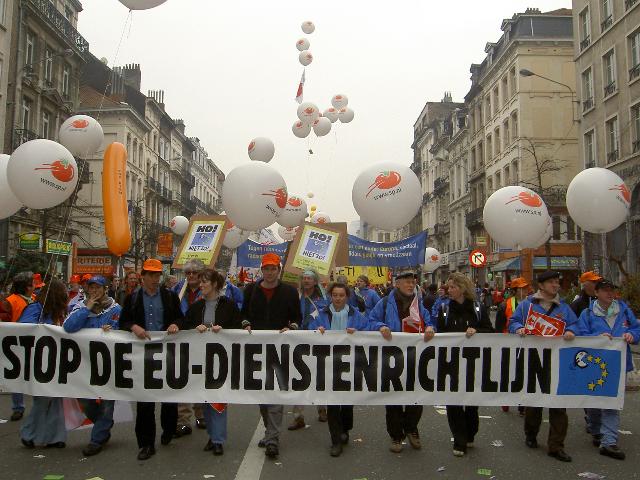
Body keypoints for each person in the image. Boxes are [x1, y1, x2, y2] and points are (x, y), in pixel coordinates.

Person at [509, 270, 579, 463]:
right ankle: (531, 434)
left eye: (557, 282)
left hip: (557, 360)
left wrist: (572, 331)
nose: (555, 285)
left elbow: (575, 324)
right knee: (534, 402)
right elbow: (513, 321)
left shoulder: (564, 308)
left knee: (558, 405)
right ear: (541, 285)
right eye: (551, 282)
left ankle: (556, 446)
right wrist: (518, 328)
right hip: (534, 359)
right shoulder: (527, 305)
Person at [119, 259, 184, 461]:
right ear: (143, 277)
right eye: (153, 275)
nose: (156, 279)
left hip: (166, 352)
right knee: (145, 401)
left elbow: (181, 318)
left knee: (168, 398)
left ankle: (169, 429)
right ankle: (146, 444)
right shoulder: (133, 298)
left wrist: (174, 324)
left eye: (158, 275)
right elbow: (123, 321)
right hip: (142, 355)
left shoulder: (170, 296)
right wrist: (134, 327)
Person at [241, 253, 301, 459]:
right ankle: (269, 431)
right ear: (262, 270)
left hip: (280, 350)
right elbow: (243, 315)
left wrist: (291, 327)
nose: (269, 272)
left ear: (279, 270)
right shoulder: (251, 290)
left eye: (273, 268)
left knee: (275, 394)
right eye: (266, 268)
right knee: (262, 396)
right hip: (256, 351)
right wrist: (245, 324)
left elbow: (297, 318)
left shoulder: (290, 292)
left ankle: (273, 439)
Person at [368, 270, 434, 453]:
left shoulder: (418, 304)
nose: (411, 285)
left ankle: (412, 428)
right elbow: (371, 320)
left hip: (415, 357)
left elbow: (429, 321)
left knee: (416, 396)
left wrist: (430, 327)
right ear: (397, 284)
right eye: (407, 282)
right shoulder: (384, 303)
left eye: (413, 282)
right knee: (394, 398)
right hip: (392, 358)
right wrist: (380, 326)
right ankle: (396, 435)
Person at [183, 269, 247, 456]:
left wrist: (224, 329)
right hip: (200, 360)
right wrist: (195, 328)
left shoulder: (229, 305)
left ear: (215, 285)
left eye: (205, 282)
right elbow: (185, 326)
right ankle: (212, 436)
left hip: (221, 361)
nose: (200, 285)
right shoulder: (196, 307)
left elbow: (237, 327)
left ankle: (218, 439)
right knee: (204, 400)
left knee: (218, 399)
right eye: (200, 282)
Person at [578, 279, 640, 460]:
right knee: (595, 399)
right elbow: (581, 335)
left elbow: (637, 329)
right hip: (594, 364)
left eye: (611, 290)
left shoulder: (624, 310)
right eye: (605, 290)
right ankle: (596, 429)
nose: (610, 293)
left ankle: (609, 441)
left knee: (612, 401)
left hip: (618, 364)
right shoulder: (588, 313)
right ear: (596, 293)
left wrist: (632, 335)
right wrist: (597, 337)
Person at [435, 272, 493, 457]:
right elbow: (440, 332)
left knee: (471, 403)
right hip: (451, 363)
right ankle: (459, 440)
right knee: (453, 403)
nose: (449, 290)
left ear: (462, 288)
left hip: (473, 363)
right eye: (448, 287)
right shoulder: (444, 309)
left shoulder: (478, 308)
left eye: (452, 287)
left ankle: (470, 433)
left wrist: (476, 330)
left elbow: (489, 330)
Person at [309, 282, 370, 457]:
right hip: (328, 364)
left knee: (347, 402)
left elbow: (368, 329)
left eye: (341, 295)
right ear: (331, 296)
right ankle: (335, 440)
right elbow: (309, 328)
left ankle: (346, 429)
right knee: (333, 403)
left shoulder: (355, 314)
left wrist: (358, 331)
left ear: (347, 297)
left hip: (350, 363)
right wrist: (317, 329)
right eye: (335, 295)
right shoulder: (321, 313)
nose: (338, 298)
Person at [63, 275, 121, 456]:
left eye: (98, 288)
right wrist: (86, 309)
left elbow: (123, 331)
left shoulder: (116, 309)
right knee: (85, 402)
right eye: (91, 288)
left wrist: (112, 330)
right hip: (84, 364)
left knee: (106, 403)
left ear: (105, 289)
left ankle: (97, 439)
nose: (94, 291)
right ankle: (104, 423)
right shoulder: (80, 306)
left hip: (108, 364)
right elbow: (69, 327)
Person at [19, 279, 69, 448]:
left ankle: (55, 436)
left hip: (54, 361)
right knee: (43, 399)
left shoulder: (57, 313)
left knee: (56, 399)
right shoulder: (35, 309)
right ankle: (29, 433)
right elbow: (23, 328)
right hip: (39, 361)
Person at [290, 269, 329, 430]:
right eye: (304, 278)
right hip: (299, 341)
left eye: (309, 278)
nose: (306, 281)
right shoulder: (296, 296)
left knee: (320, 376)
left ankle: (322, 409)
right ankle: (298, 416)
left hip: (318, 341)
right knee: (299, 378)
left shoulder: (324, 298)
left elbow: (328, 316)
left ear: (315, 281)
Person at [172, 259, 207, 435]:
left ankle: (201, 414)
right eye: (188, 273)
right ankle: (183, 420)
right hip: (181, 340)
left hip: (202, 341)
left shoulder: (208, 288)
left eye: (194, 272)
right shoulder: (177, 289)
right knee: (182, 379)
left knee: (200, 378)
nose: (191, 276)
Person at [495, 276, 530, 415]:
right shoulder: (505, 305)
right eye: (522, 288)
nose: (526, 291)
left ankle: (522, 404)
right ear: (515, 291)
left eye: (526, 288)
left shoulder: (532, 304)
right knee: (508, 373)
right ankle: (506, 398)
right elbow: (499, 327)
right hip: (508, 344)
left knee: (525, 373)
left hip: (527, 343)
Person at [3, 272, 34, 421]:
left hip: (32, 343)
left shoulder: (34, 300)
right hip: (14, 344)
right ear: (27, 287)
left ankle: (37, 406)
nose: (34, 286)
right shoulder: (10, 301)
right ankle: (18, 407)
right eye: (32, 284)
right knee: (16, 376)